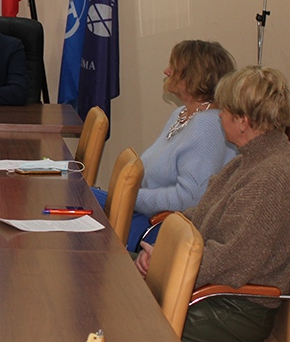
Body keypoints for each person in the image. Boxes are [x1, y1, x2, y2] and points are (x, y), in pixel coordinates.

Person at [136, 66, 290, 342]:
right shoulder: (251, 158)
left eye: (224, 110)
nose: (219, 116)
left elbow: (232, 260)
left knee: (126, 307)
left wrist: (163, 264)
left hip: (234, 309)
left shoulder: (271, 177)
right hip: (213, 290)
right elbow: (200, 214)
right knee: (115, 272)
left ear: (243, 122)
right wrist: (160, 251)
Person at [93, 40, 238, 251]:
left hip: (163, 228)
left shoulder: (208, 125)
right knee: (74, 194)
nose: (167, 71)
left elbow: (191, 199)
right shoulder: (181, 115)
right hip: (141, 213)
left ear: (195, 76)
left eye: (175, 67)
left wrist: (128, 197)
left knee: (75, 198)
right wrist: (126, 196)